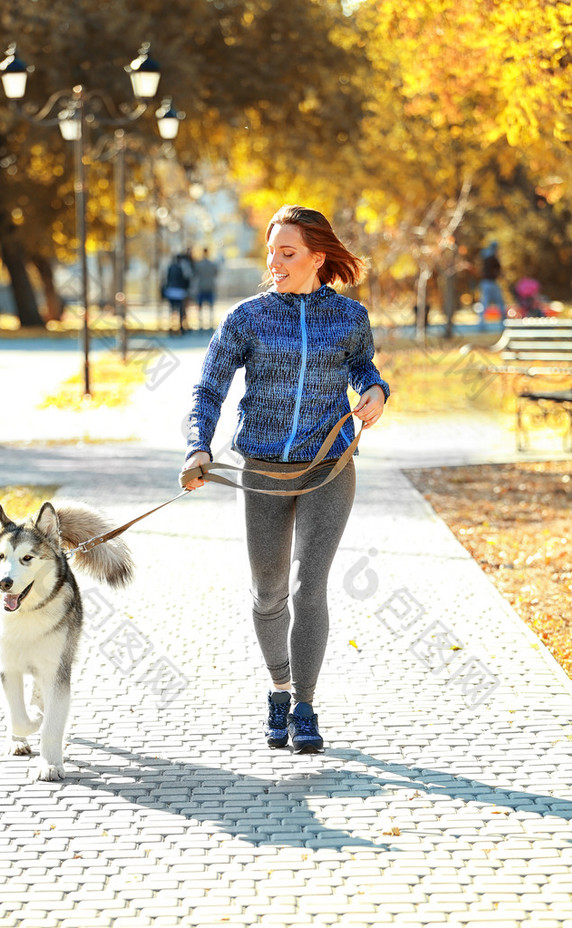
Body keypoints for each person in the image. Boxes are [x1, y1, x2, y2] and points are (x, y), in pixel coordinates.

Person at [180, 205, 389, 754]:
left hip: (329, 468)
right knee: (269, 592)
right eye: (271, 251)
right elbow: (207, 389)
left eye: (287, 253)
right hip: (264, 473)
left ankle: (305, 705)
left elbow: (363, 367)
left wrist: (376, 390)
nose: (274, 262)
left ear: (318, 257)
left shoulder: (349, 317)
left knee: (308, 586)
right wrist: (198, 445)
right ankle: (278, 689)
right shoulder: (247, 317)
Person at [163, 254, 191, 334]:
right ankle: (181, 327)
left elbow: (168, 279)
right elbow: (186, 280)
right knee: (181, 310)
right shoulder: (182, 268)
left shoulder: (170, 267)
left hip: (171, 291)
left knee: (172, 310)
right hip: (180, 291)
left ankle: (171, 327)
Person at [478, 241, 506, 325]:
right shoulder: (493, 257)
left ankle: (481, 321)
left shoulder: (485, 255)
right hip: (490, 282)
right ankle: (503, 320)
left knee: (485, 302)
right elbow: (499, 270)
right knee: (498, 301)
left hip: (485, 282)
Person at [193, 247, 219, 329]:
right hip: (210, 286)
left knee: (200, 307)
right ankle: (211, 324)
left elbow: (195, 274)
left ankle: (201, 325)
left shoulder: (198, 264)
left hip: (201, 286)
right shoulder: (212, 264)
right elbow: (216, 273)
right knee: (211, 307)